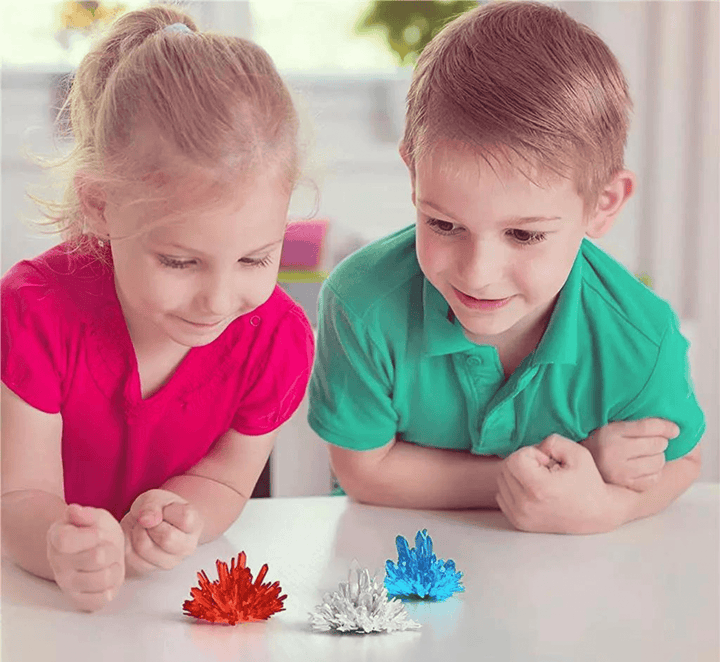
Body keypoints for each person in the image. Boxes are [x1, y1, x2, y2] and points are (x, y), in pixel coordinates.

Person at [308, 1, 705, 534]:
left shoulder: (641, 338)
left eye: (524, 234)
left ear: (604, 203)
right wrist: (561, 466)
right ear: (414, 173)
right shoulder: (360, 303)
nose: (477, 273)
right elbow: (363, 471)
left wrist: (607, 506)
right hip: (385, 574)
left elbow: (681, 463)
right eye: (444, 224)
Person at [1, 5, 314, 611]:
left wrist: (182, 515)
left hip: (162, 612)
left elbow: (226, 478)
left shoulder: (275, 339)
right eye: (180, 261)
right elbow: (20, 495)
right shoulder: (34, 313)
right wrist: (59, 545)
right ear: (100, 205)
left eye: (255, 259)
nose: (220, 301)